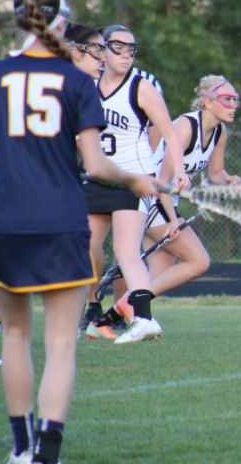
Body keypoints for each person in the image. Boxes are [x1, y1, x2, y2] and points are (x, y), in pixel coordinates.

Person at [0, 0, 159, 464]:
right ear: (61, 24)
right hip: (60, 219)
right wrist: (137, 181)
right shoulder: (78, 81)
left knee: (16, 336)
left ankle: (20, 450)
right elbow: (97, 167)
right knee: (62, 344)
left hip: (3, 218)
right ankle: (47, 454)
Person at [80, 24, 189, 344]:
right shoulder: (87, 86)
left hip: (134, 180)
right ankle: (92, 308)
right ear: (102, 50)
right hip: (97, 178)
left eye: (131, 50)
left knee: (126, 251)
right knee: (86, 247)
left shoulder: (141, 88)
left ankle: (143, 318)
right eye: (118, 48)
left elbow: (169, 133)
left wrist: (178, 170)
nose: (126, 55)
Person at [140, 75, 241, 301]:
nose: (233, 106)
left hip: (165, 202)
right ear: (207, 101)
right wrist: (174, 221)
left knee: (160, 274)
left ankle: (117, 316)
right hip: (149, 198)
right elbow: (162, 181)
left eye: (235, 100)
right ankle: (120, 310)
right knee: (199, 261)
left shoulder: (219, 132)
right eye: (227, 99)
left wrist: (229, 180)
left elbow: (215, 173)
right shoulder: (185, 127)